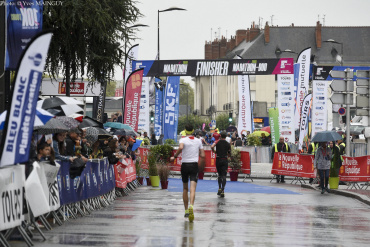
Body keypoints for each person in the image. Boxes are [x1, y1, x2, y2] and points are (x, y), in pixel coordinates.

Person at [170, 123, 205, 222]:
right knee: (193, 188)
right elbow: (202, 155)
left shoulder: (183, 140)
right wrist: (196, 152)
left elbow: (181, 147)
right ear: (193, 130)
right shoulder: (198, 141)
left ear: (185, 131)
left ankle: (186, 210)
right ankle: (191, 206)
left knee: (185, 188)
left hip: (184, 165)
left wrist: (175, 157)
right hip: (194, 165)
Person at [211, 131, 231, 198]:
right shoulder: (228, 144)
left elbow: (212, 146)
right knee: (224, 175)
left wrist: (215, 151)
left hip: (218, 159)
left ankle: (219, 187)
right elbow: (229, 153)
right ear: (226, 136)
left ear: (220, 136)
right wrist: (227, 155)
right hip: (225, 159)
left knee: (219, 175)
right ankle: (223, 191)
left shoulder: (217, 142)